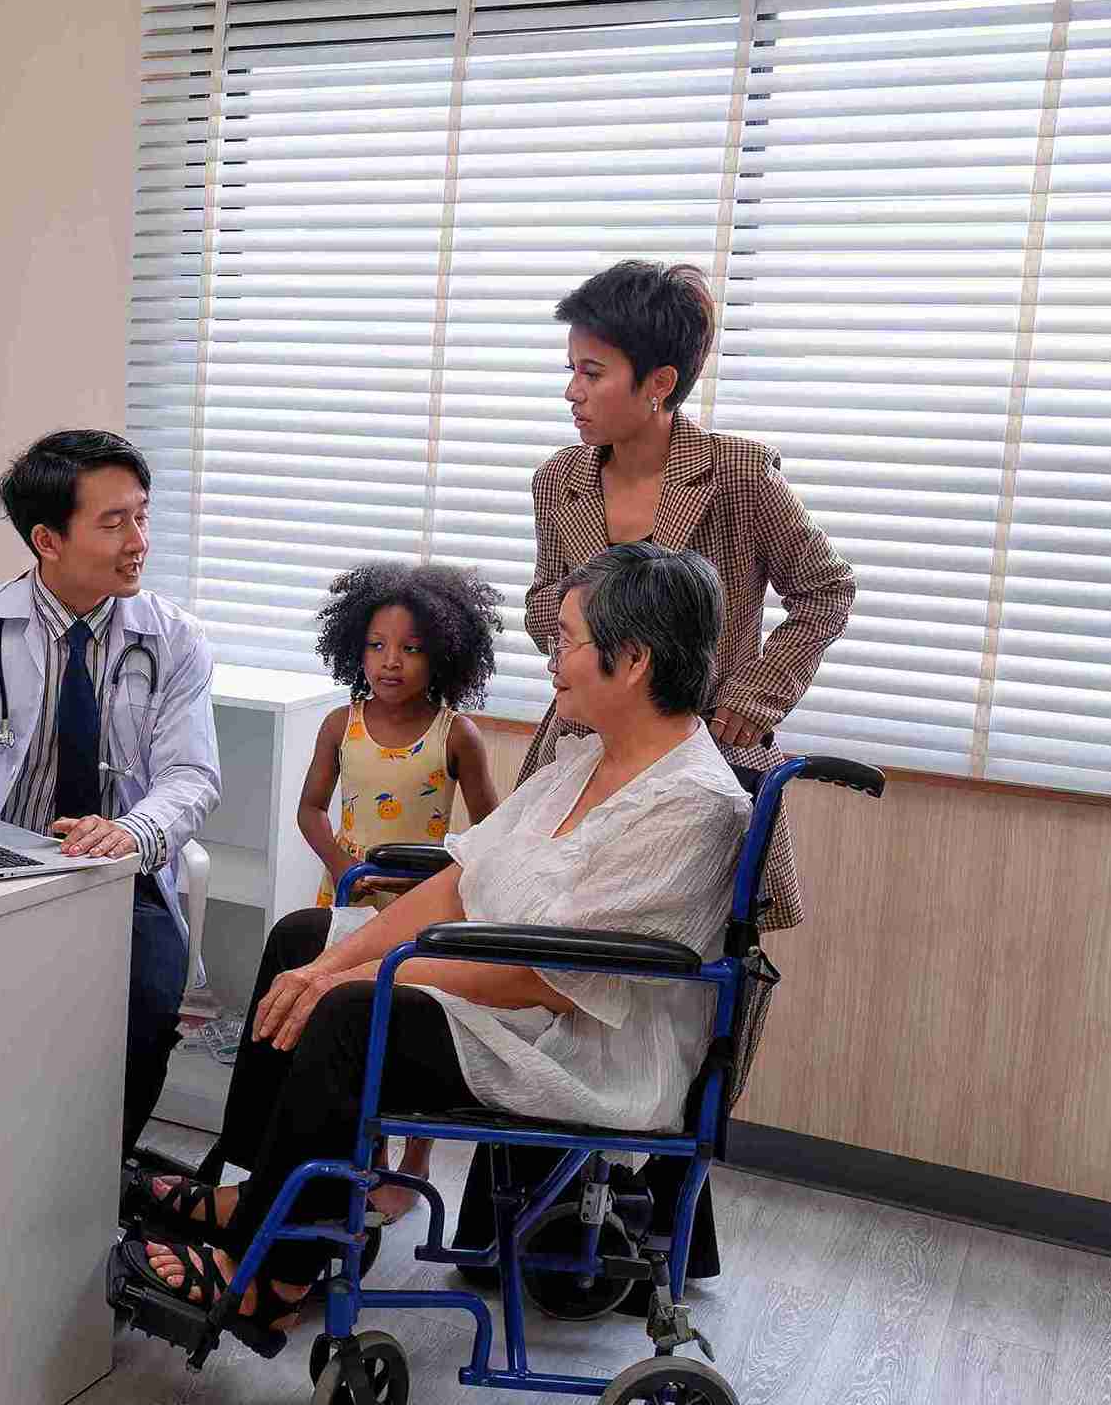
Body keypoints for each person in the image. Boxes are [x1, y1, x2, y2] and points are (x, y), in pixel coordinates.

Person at [118, 543, 749, 1354]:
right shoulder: (583, 760)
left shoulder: (693, 805)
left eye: (567, 640)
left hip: (575, 1048)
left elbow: (554, 979)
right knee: (302, 941)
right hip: (502, 995)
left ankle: (270, 1280)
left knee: (352, 1011)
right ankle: (257, 1194)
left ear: (632, 661)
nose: (551, 660)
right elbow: (458, 884)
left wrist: (364, 976)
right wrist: (328, 964)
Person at [446, 258, 856, 1285]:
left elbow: (825, 591)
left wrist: (750, 694)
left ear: (659, 382)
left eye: (592, 372)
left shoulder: (737, 476)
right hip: (581, 750)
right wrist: (583, 643)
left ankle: (642, 1250)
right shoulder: (558, 480)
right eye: (570, 369)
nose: (571, 391)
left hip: (694, 763)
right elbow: (544, 595)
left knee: (657, 999)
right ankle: (515, 1243)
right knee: (531, 950)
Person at [0, 429, 220, 1156]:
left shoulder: (174, 639)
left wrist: (132, 831)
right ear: (48, 540)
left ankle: (98, 1179)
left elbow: (191, 776)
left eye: (142, 517)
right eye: (114, 522)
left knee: (147, 1000)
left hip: (112, 875)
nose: (139, 542)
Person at [292, 562, 502, 1223]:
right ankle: (368, 1156)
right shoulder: (340, 725)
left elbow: (492, 833)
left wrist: (438, 881)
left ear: (442, 654)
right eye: (377, 645)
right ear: (353, 647)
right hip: (350, 902)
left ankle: (416, 1160)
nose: (391, 662)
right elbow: (310, 810)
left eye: (411, 648)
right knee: (352, 1024)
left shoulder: (456, 734)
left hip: (422, 911)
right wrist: (341, 866)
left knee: (408, 1017)